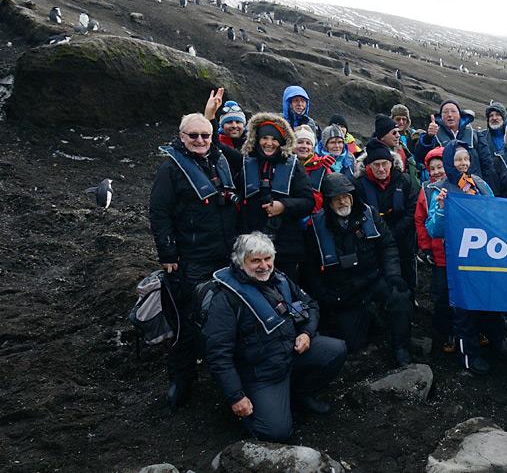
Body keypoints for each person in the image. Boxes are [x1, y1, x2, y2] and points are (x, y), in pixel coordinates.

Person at [202, 232, 347, 442]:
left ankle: (300, 394)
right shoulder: (225, 299)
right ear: (240, 262)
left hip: (289, 352)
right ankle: (252, 412)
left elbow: (310, 306)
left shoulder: (279, 279)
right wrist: (236, 397)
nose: (264, 266)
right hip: (261, 373)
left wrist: (306, 333)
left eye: (268, 258)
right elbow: (218, 354)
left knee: (336, 350)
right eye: (256, 261)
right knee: (277, 433)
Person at [149, 112, 240, 408]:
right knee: (187, 318)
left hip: (226, 253)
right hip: (191, 256)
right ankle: (182, 378)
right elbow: (159, 213)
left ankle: (227, 372)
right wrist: (168, 253)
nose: (200, 141)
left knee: (226, 314)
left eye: (206, 135)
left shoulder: (223, 159)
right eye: (194, 136)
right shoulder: (171, 169)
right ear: (181, 137)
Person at [303, 173, 413, 366]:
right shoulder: (315, 227)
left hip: (373, 279)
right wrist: (325, 295)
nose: (342, 201)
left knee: (400, 297)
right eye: (337, 198)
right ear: (328, 201)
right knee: (353, 343)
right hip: (344, 289)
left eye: (346, 196)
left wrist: (393, 275)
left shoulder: (369, 214)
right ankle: (369, 320)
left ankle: (401, 347)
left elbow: (388, 246)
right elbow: (309, 267)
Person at [426, 140, 507, 374]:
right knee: (464, 309)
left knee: (492, 300)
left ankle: (498, 340)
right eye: (457, 159)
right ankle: (470, 356)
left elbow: (496, 212)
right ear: (449, 162)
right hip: (459, 261)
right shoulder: (440, 190)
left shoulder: (480, 184)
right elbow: (434, 229)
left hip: (484, 255)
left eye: (466, 158)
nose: (463, 163)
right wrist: (442, 207)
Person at [238, 113, 315, 282]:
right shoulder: (245, 162)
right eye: (264, 137)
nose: (269, 143)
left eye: (274, 139)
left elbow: (309, 202)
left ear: (281, 141)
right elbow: (215, 147)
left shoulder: (293, 165)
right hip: (252, 245)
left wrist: (283, 206)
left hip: (286, 246)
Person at [356, 139, 419, 292]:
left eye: (385, 163)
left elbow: (412, 210)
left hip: (403, 240)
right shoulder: (358, 184)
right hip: (374, 242)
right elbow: (357, 213)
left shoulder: (404, 181)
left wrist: (395, 232)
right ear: (368, 165)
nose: (381, 169)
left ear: (391, 163)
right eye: (376, 165)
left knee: (406, 280)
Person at [414, 147, 454, 352]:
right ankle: (443, 335)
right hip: (439, 254)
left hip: (461, 253)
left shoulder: (461, 185)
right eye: (432, 168)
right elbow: (420, 220)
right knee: (441, 296)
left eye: (440, 166)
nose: (437, 171)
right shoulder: (427, 189)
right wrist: (426, 248)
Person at [414, 100, 494, 186]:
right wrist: (428, 137)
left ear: (460, 115)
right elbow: (419, 158)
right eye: (445, 112)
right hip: (445, 190)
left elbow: (487, 166)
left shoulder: (475, 136)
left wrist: (487, 190)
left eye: (453, 111)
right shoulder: (434, 136)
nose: (449, 115)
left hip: (473, 188)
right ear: (440, 116)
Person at [294, 125, 332, 214]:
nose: (304, 146)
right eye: (299, 142)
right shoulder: (285, 165)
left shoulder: (322, 168)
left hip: (314, 220)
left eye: (308, 143)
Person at [373, 113, 419, 185]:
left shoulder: (403, 149)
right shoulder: (373, 157)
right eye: (394, 133)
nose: (398, 135)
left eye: (398, 132)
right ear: (382, 137)